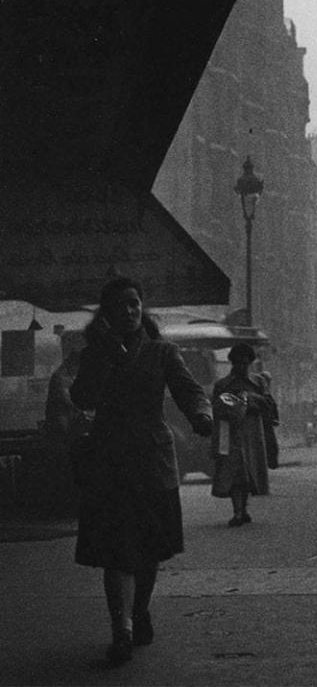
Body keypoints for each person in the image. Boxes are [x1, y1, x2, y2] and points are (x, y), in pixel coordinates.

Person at [70, 276, 213, 666]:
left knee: (147, 550)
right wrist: (103, 355)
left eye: (135, 303)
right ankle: (123, 630)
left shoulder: (163, 352)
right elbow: (81, 397)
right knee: (118, 552)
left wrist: (201, 415)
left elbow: (189, 390)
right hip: (109, 463)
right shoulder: (94, 353)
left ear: (141, 307)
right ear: (108, 314)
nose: (130, 311)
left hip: (153, 462)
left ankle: (139, 610)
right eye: (120, 306)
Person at [211, 343, 277, 526]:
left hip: (253, 432)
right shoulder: (222, 385)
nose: (241, 367)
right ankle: (238, 511)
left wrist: (250, 400)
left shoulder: (258, 383)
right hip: (230, 433)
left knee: (249, 473)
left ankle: (244, 509)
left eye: (245, 363)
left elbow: (269, 405)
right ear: (232, 363)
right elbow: (215, 409)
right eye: (238, 363)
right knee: (235, 472)